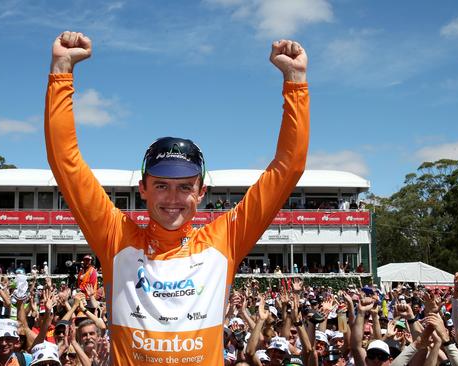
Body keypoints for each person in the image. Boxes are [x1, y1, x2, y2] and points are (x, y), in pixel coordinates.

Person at [45, 31, 309, 364]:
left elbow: (289, 167)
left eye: (185, 186)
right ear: (142, 188)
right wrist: (61, 70)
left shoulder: (224, 241)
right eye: (161, 185)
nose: (173, 197)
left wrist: (296, 82)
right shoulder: (116, 238)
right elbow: (64, 162)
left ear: (201, 193)